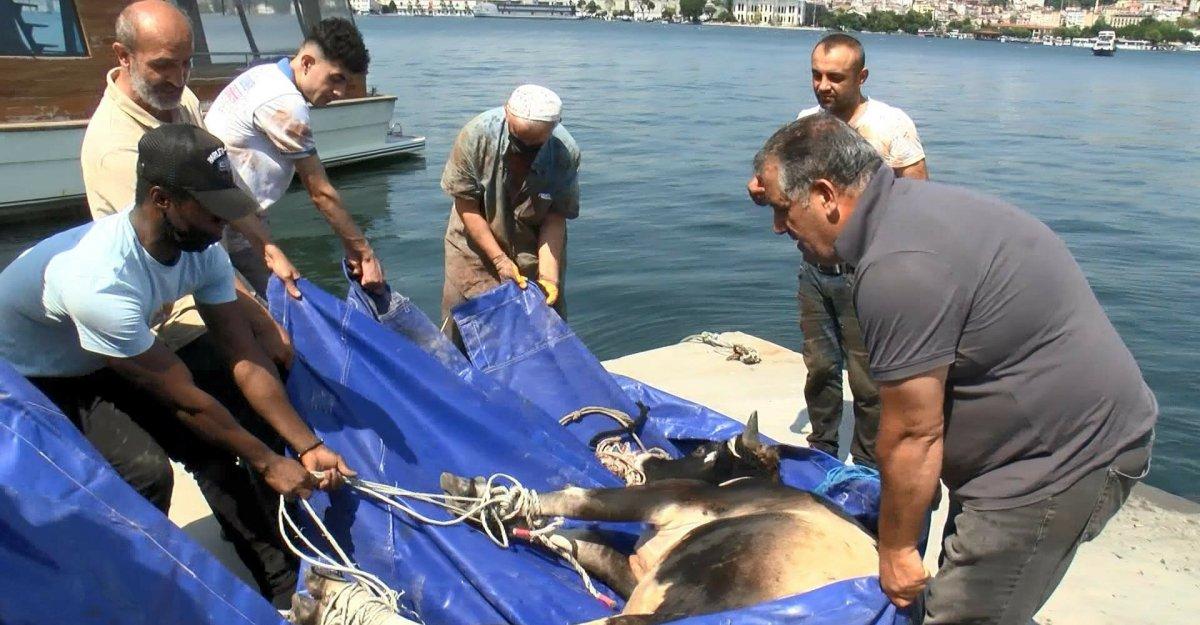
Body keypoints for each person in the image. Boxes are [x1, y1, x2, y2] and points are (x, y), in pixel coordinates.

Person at [750, 114, 1156, 625]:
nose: (779, 228)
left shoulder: (898, 267)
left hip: (1054, 465)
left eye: (784, 210)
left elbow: (914, 435)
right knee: (983, 596)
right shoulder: (911, 209)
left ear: (827, 196)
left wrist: (896, 550)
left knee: (963, 613)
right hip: (1030, 444)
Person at [0, 124, 355, 607]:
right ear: (162, 198)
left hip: (111, 348)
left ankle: (278, 588)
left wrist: (304, 444)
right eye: (213, 211)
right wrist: (270, 463)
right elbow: (186, 401)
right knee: (145, 472)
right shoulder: (100, 280)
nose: (222, 225)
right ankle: (129, 592)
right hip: (36, 372)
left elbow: (244, 357)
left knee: (216, 449)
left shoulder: (203, 249)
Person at [79, 0, 294, 361]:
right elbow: (188, 257)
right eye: (162, 65)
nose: (178, 78)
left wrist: (266, 246)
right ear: (123, 55)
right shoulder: (115, 150)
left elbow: (216, 186)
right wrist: (264, 327)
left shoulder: (181, 99)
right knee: (271, 357)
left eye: (186, 63)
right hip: (171, 308)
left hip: (211, 263)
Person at [750, 33, 928, 468]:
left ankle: (867, 463)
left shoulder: (890, 125)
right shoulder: (807, 121)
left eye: (835, 77)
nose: (823, 86)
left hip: (865, 273)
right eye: (816, 75)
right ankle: (822, 447)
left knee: (869, 381)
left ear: (861, 77)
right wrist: (762, 190)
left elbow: (917, 193)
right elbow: (784, 185)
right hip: (814, 270)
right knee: (821, 366)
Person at [205, 17, 384, 297]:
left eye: (347, 83)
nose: (339, 92)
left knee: (275, 294)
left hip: (236, 212)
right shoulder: (286, 103)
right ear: (308, 62)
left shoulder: (264, 74)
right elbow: (320, 192)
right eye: (335, 78)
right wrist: (365, 253)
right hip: (218, 221)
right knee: (252, 314)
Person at [439, 84, 580, 347]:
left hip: (533, 250)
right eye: (518, 141)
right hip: (472, 250)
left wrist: (549, 277)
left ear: (554, 127)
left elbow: (555, 217)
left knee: (545, 328)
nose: (524, 151)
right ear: (506, 112)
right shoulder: (475, 136)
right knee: (461, 331)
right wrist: (500, 260)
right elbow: (466, 205)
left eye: (534, 147)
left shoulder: (564, 153)